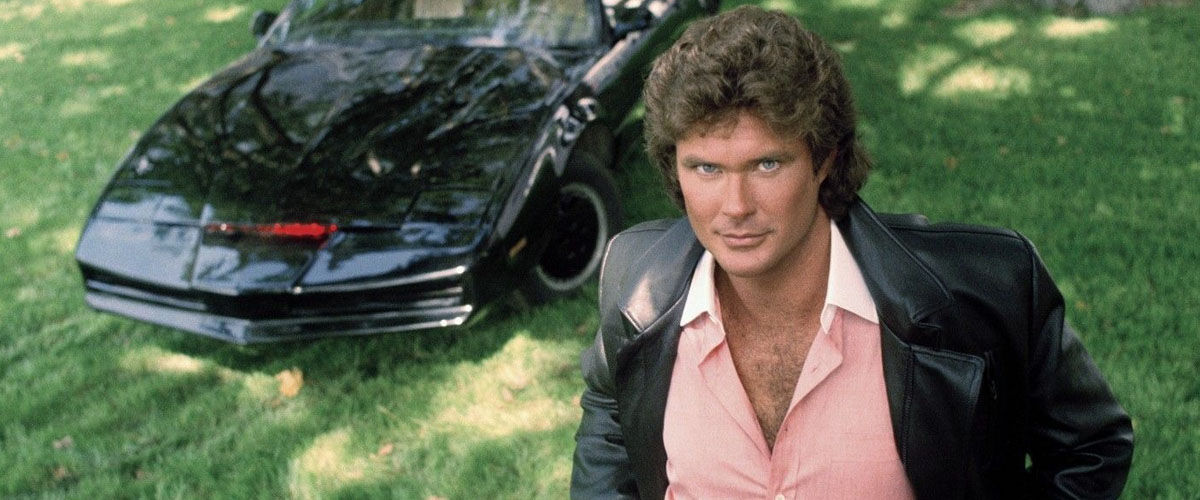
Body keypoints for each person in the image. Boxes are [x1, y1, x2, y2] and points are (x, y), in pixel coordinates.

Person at [570, 5, 1133, 499]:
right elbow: (611, 427)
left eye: (767, 164)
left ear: (825, 160)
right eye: (706, 169)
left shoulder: (985, 291)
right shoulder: (636, 285)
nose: (735, 206)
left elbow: (1091, 447)